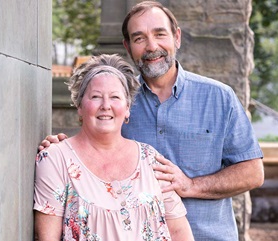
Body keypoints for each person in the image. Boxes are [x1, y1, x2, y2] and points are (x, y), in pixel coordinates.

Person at [39, 1, 265, 240]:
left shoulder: (218, 97)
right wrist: (60, 150)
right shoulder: (119, 102)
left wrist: (191, 185)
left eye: (160, 34)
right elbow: (91, 154)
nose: (152, 46)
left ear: (176, 37)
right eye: (139, 38)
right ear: (128, 46)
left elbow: (252, 172)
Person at [34, 54, 194, 240]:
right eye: (95, 97)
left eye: (115, 97)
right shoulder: (55, 159)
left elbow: (179, 232)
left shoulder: (150, 158)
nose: (106, 105)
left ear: (127, 108)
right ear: (79, 105)